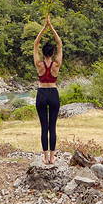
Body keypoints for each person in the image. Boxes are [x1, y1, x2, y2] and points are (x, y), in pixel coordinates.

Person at [34, 14, 62, 164]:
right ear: (52, 53)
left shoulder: (39, 64)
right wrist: (51, 26)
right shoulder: (56, 64)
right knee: (53, 126)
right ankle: (52, 157)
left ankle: (45, 157)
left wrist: (44, 27)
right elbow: (60, 43)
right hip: (53, 93)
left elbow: (35, 44)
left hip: (41, 93)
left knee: (44, 127)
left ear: (43, 53)